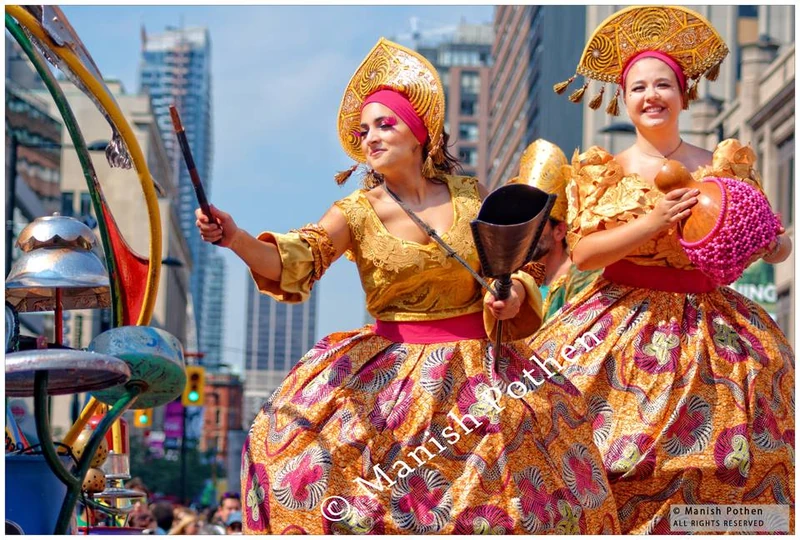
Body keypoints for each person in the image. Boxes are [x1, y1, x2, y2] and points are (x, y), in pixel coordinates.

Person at [196, 38, 619, 534]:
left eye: (385, 124)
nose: (370, 137)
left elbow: (517, 263)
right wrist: (236, 237)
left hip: (483, 372)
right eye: (364, 129)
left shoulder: (469, 195)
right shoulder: (354, 212)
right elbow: (297, 258)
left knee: (506, 501)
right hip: (389, 383)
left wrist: (514, 294)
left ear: (420, 135)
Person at [530, 5, 795, 534]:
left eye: (663, 85)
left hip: (716, 331)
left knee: (734, 461)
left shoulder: (724, 165)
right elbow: (584, 253)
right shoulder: (603, 169)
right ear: (624, 99)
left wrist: (771, 241)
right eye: (638, 88)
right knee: (606, 456)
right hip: (619, 325)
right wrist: (652, 221)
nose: (652, 96)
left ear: (683, 93)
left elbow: (773, 247)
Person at [508, 139, 601, 322]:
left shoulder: (583, 280)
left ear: (559, 231)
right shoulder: (514, 279)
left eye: (534, 223)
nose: (523, 231)